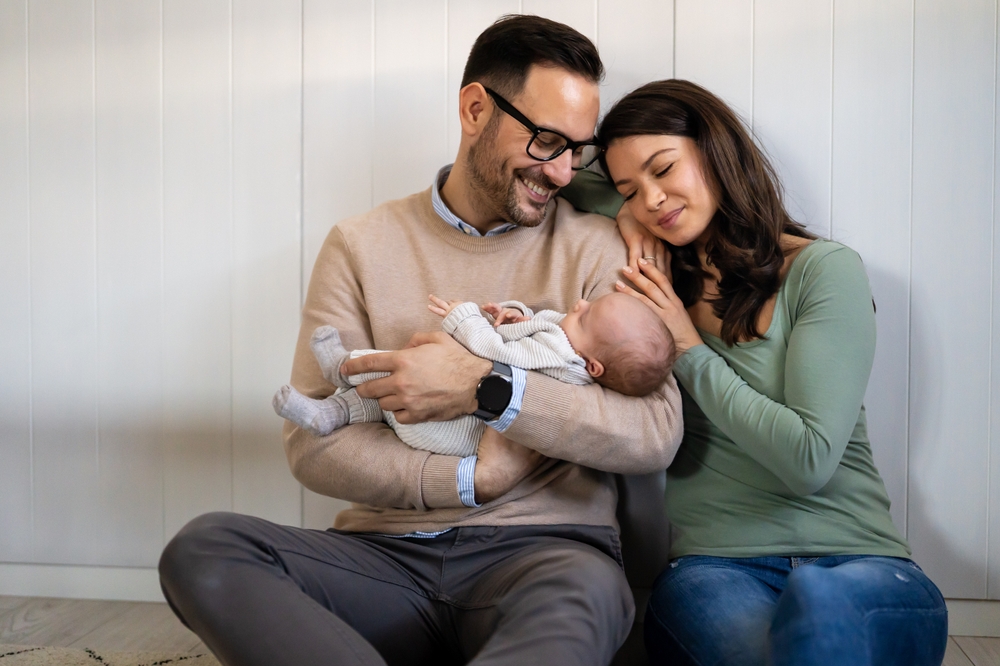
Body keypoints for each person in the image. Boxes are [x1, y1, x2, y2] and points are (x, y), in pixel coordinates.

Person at [157, 16, 684, 666]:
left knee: (582, 597)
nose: (564, 172)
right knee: (205, 549)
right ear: (474, 110)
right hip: (384, 559)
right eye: (548, 141)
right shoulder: (361, 245)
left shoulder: (598, 249)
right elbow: (315, 444)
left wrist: (492, 389)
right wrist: (470, 480)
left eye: (580, 149)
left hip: (548, 555)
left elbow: (654, 429)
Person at [562, 78, 948, 666]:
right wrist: (626, 216)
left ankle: (817, 610)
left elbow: (808, 460)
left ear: (717, 150)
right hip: (716, 569)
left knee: (824, 616)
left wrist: (688, 348)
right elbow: (552, 174)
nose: (654, 199)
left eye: (664, 169)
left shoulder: (823, 270)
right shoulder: (661, 280)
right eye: (630, 190)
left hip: (861, 564)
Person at [272, 292, 676, 456]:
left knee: (394, 366)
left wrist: (463, 316)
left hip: (446, 427)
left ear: (593, 366)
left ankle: (342, 368)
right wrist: (518, 316)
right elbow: (530, 337)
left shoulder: (559, 354)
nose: (582, 303)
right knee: (384, 397)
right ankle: (329, 415)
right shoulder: (572, 351)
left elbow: (495, 351)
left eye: (587, 317)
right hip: (439, 428)